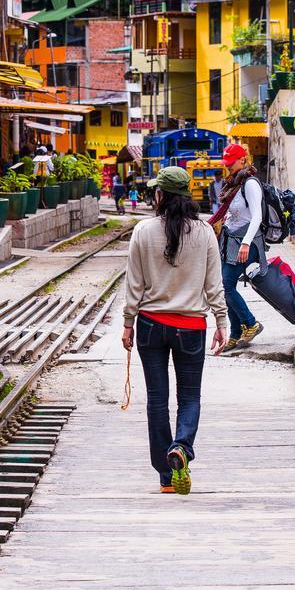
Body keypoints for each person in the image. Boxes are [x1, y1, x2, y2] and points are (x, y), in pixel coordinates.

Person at [122, 166, 226, 495]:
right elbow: (214, 285)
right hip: (192, 326)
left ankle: (166, 478)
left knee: (156, 400)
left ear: (160, 195)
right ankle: (181, 446)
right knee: (189, 397)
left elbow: (134, 283)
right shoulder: (205, 232)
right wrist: (222, 321)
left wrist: (128, 322)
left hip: (151, 325)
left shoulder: (143, 231)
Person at [207, 144, 265, 353]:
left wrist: (247, 242)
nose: (228, 167)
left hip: (246, 243)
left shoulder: (249, 183)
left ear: (243, 160)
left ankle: (250, 323)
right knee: (224, 287)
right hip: (230, 242)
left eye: (231, 163)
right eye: (227, 163)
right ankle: (235, 332)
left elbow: (256, 216)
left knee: (226, 285)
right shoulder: (234, 184)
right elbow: (229, 213)